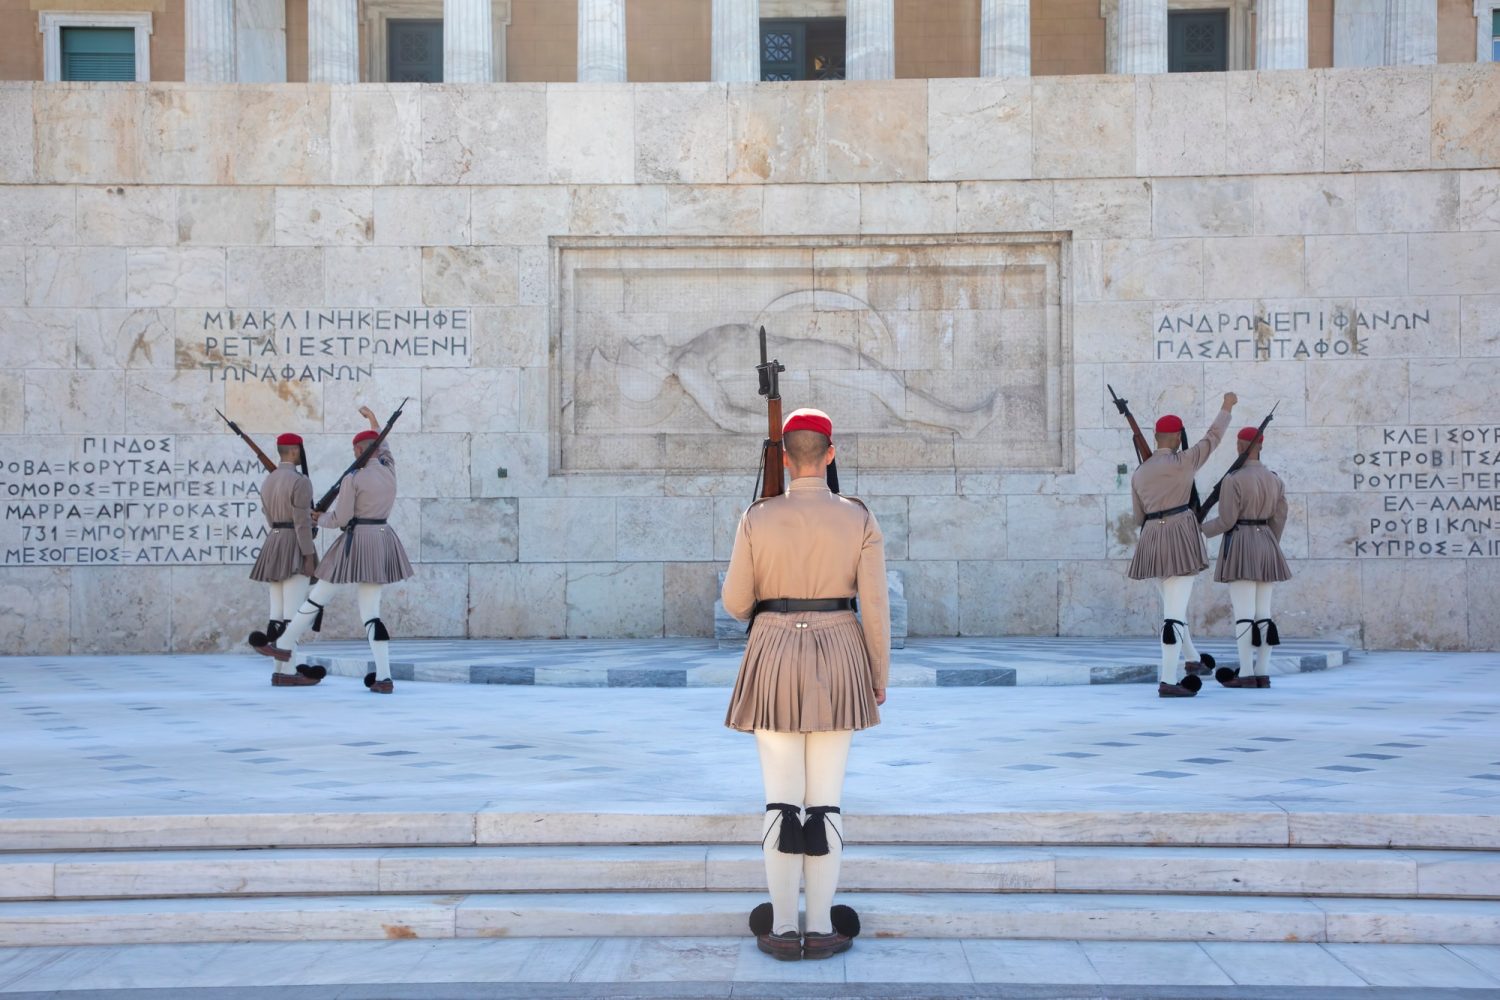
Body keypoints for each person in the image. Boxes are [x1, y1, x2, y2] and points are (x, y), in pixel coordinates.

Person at [722, 408, 889, 962]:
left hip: (772, 651)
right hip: (840, 651)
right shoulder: (858, 517)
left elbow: (735, 602)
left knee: (780, 800)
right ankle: (820, 926)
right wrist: (877, 675)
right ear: (832, 454)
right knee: (826, 803)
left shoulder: (757, 516)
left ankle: (780, 925)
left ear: (786, 460)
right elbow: (876, 608)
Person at [253, 406, 413, 694]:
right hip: (382, 538)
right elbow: (384, 443)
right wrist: (373, 420)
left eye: (355, 451)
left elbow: (340, 518)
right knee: (372, 615)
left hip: (355, 542)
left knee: (315, 599)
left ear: (358, 450)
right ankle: (384, 677)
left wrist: (318, 518)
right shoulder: (389, 469)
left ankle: (284, 646)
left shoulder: (354, 479)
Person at [1128, 392, 1236, 698]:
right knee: (1173, 615)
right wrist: (1226, 407)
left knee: (1173, 606)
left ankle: (1192, 660)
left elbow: (1138, 516)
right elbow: (1213, 438)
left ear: (1156, 437)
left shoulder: (1139, 473)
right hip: (1180, 537)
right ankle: (1167, 680)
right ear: (1177, 437)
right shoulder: (1185, 461)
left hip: (1151, 539)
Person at [1201, 427, 1292, 688]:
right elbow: (1280, 517)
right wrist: (1269, 542)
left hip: (1241, 542)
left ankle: (1246, 674)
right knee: (1263, 613)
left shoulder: (1234, 479)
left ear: (1240, 447)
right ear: (1260, 446)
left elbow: (1227, 520)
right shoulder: (1275, 479)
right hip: (1267, 542)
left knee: (1244, 614)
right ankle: (1262, 673)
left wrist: (1198, 530)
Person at [247, 432, 324, 687]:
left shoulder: (269, 480)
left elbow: (269, 518)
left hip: (274, 541)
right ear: (293, 451)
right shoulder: (300, 481)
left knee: (276, 615)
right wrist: (308, 555)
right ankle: (289, 672)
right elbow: (302, 523)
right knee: (293, 615)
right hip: (293, 543)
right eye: (300, 451)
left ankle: (279, 670)